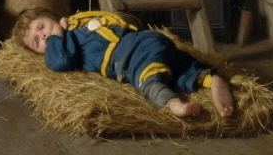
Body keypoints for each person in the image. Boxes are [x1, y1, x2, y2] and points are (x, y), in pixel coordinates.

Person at [14, 8, 235, 119]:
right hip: (150, 42)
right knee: (177, 66)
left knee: (148, 81)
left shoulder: (71, 30)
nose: (43, 36)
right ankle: (211, 78)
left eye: (42, 27)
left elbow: (59, 61)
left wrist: (56, 33)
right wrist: (56, 32)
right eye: (37, 42)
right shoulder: (70, 35)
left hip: (127, 54)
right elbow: (60, 59)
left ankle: (173, 104)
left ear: (52, 17)